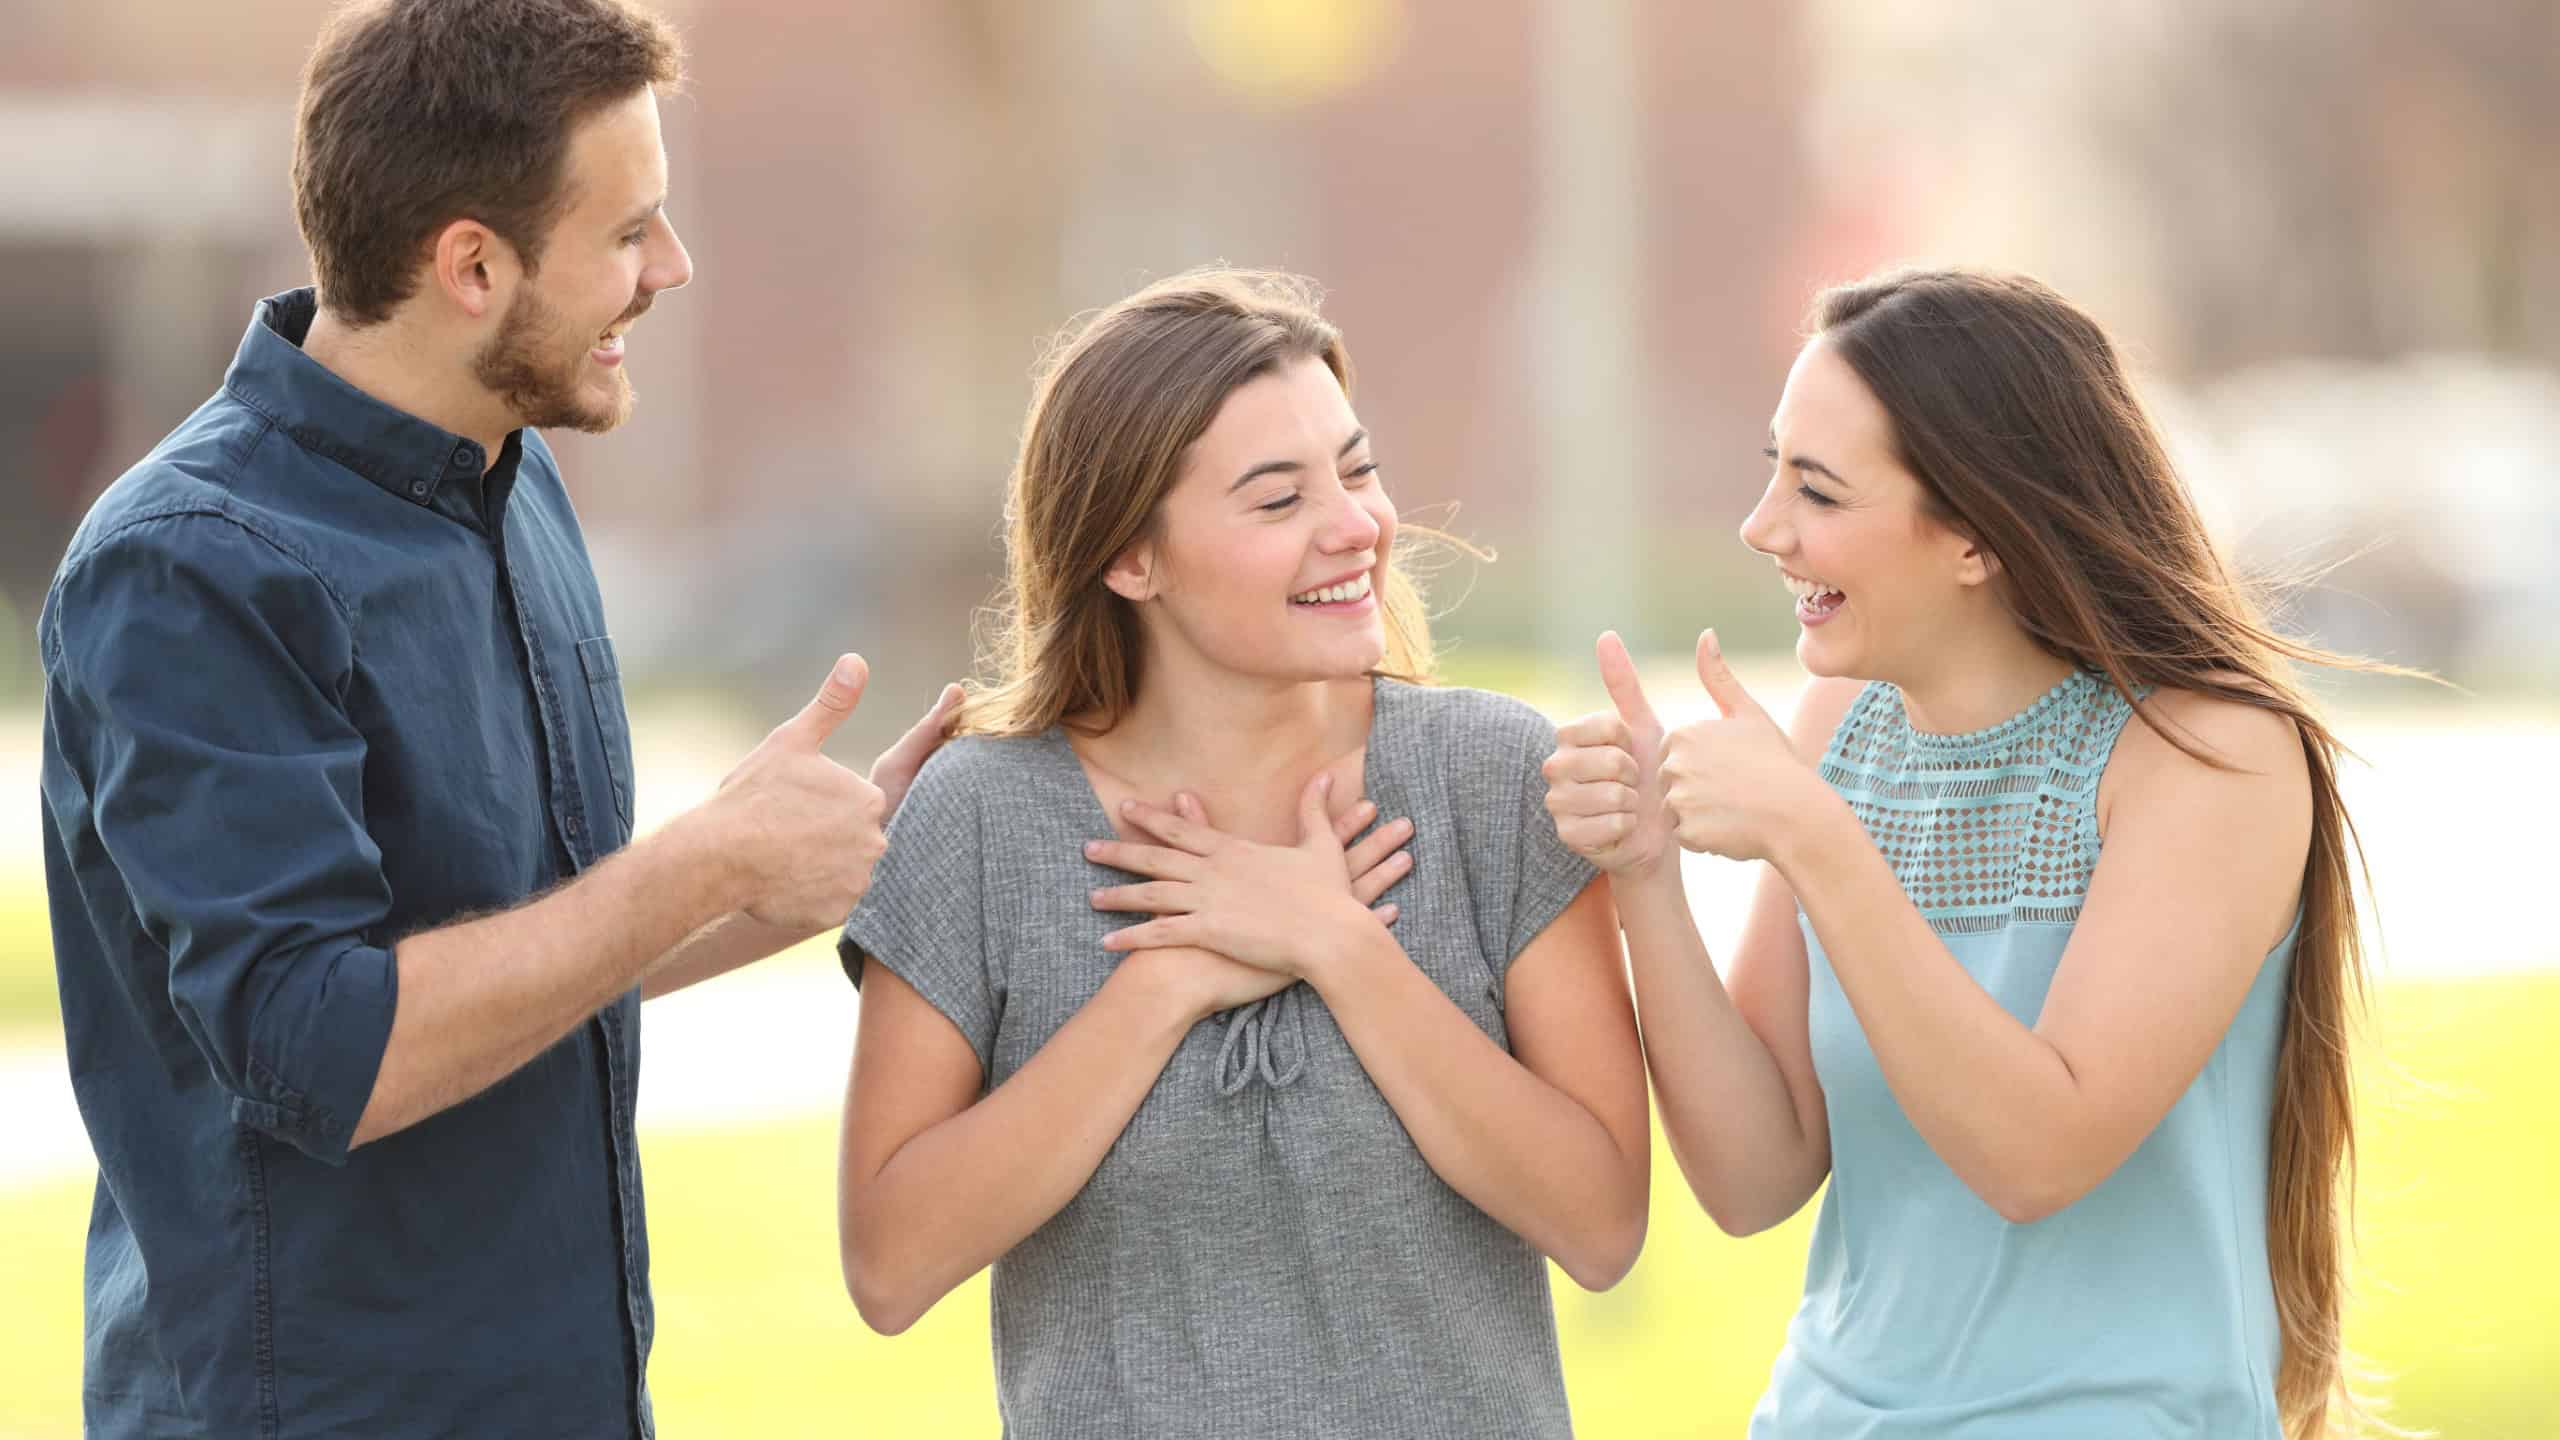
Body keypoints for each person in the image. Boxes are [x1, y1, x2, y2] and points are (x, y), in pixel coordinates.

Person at [35, 2, 952, 1434]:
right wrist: (697, 862)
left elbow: (527, 952)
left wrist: (835, 856)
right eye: (630, 232)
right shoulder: (187, 569)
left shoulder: (516, 487)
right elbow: (321, 1046)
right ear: (471, 263)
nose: (673, 268)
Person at [1543, 268, 2378, 1438]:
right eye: (1771, 468)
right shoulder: (1841, 731)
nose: (1761, 526)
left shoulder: (2204, 754)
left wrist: (1815, 840)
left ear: (1978, 537)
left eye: (1817, 490)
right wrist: (1645, 877)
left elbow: (2037, 1154)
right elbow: (1752, 1177)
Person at [834, 268, 1650, 1436]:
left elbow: (1601, 1224)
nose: (1356, 526)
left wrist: (1335, 945)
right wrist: (1170, 981)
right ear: (1130, 559)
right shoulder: (979, 816)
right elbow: (891, 1266)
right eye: (1279, 501)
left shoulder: (1489, 779)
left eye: (1357, 471)